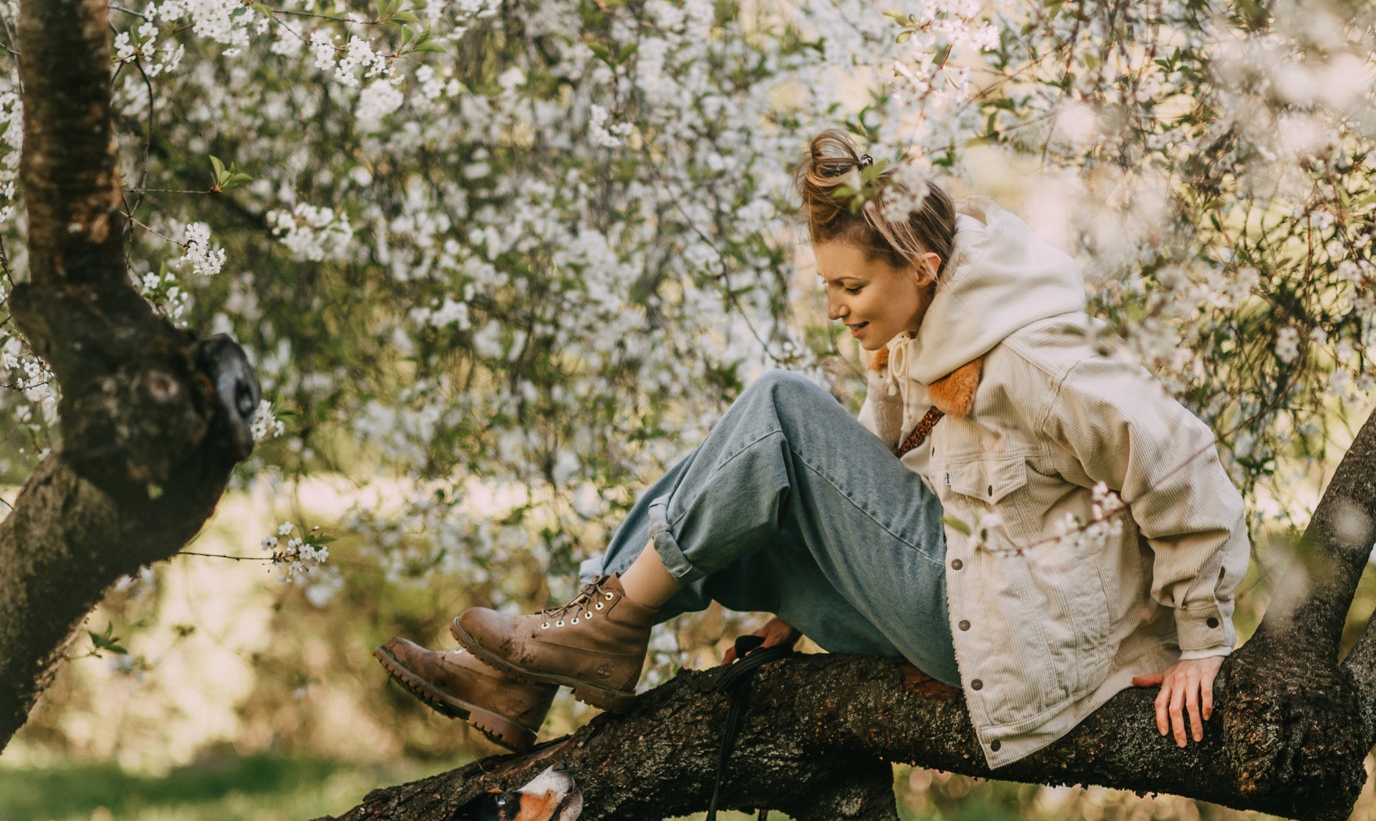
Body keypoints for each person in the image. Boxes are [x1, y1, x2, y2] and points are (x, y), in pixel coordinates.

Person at [375, 129, 1249, 763]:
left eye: (851, 284)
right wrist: (799, 603)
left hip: (1001, 629)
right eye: (827, 283)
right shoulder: (919, 334)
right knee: (719, 470)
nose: (835, 307)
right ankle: (531, 676)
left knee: (782, 406)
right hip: (940, 587)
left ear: (922, 265)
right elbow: (878, 481)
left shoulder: (1028, 353)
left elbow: (1178, 456)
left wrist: (1202, 640)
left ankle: (595, 628)